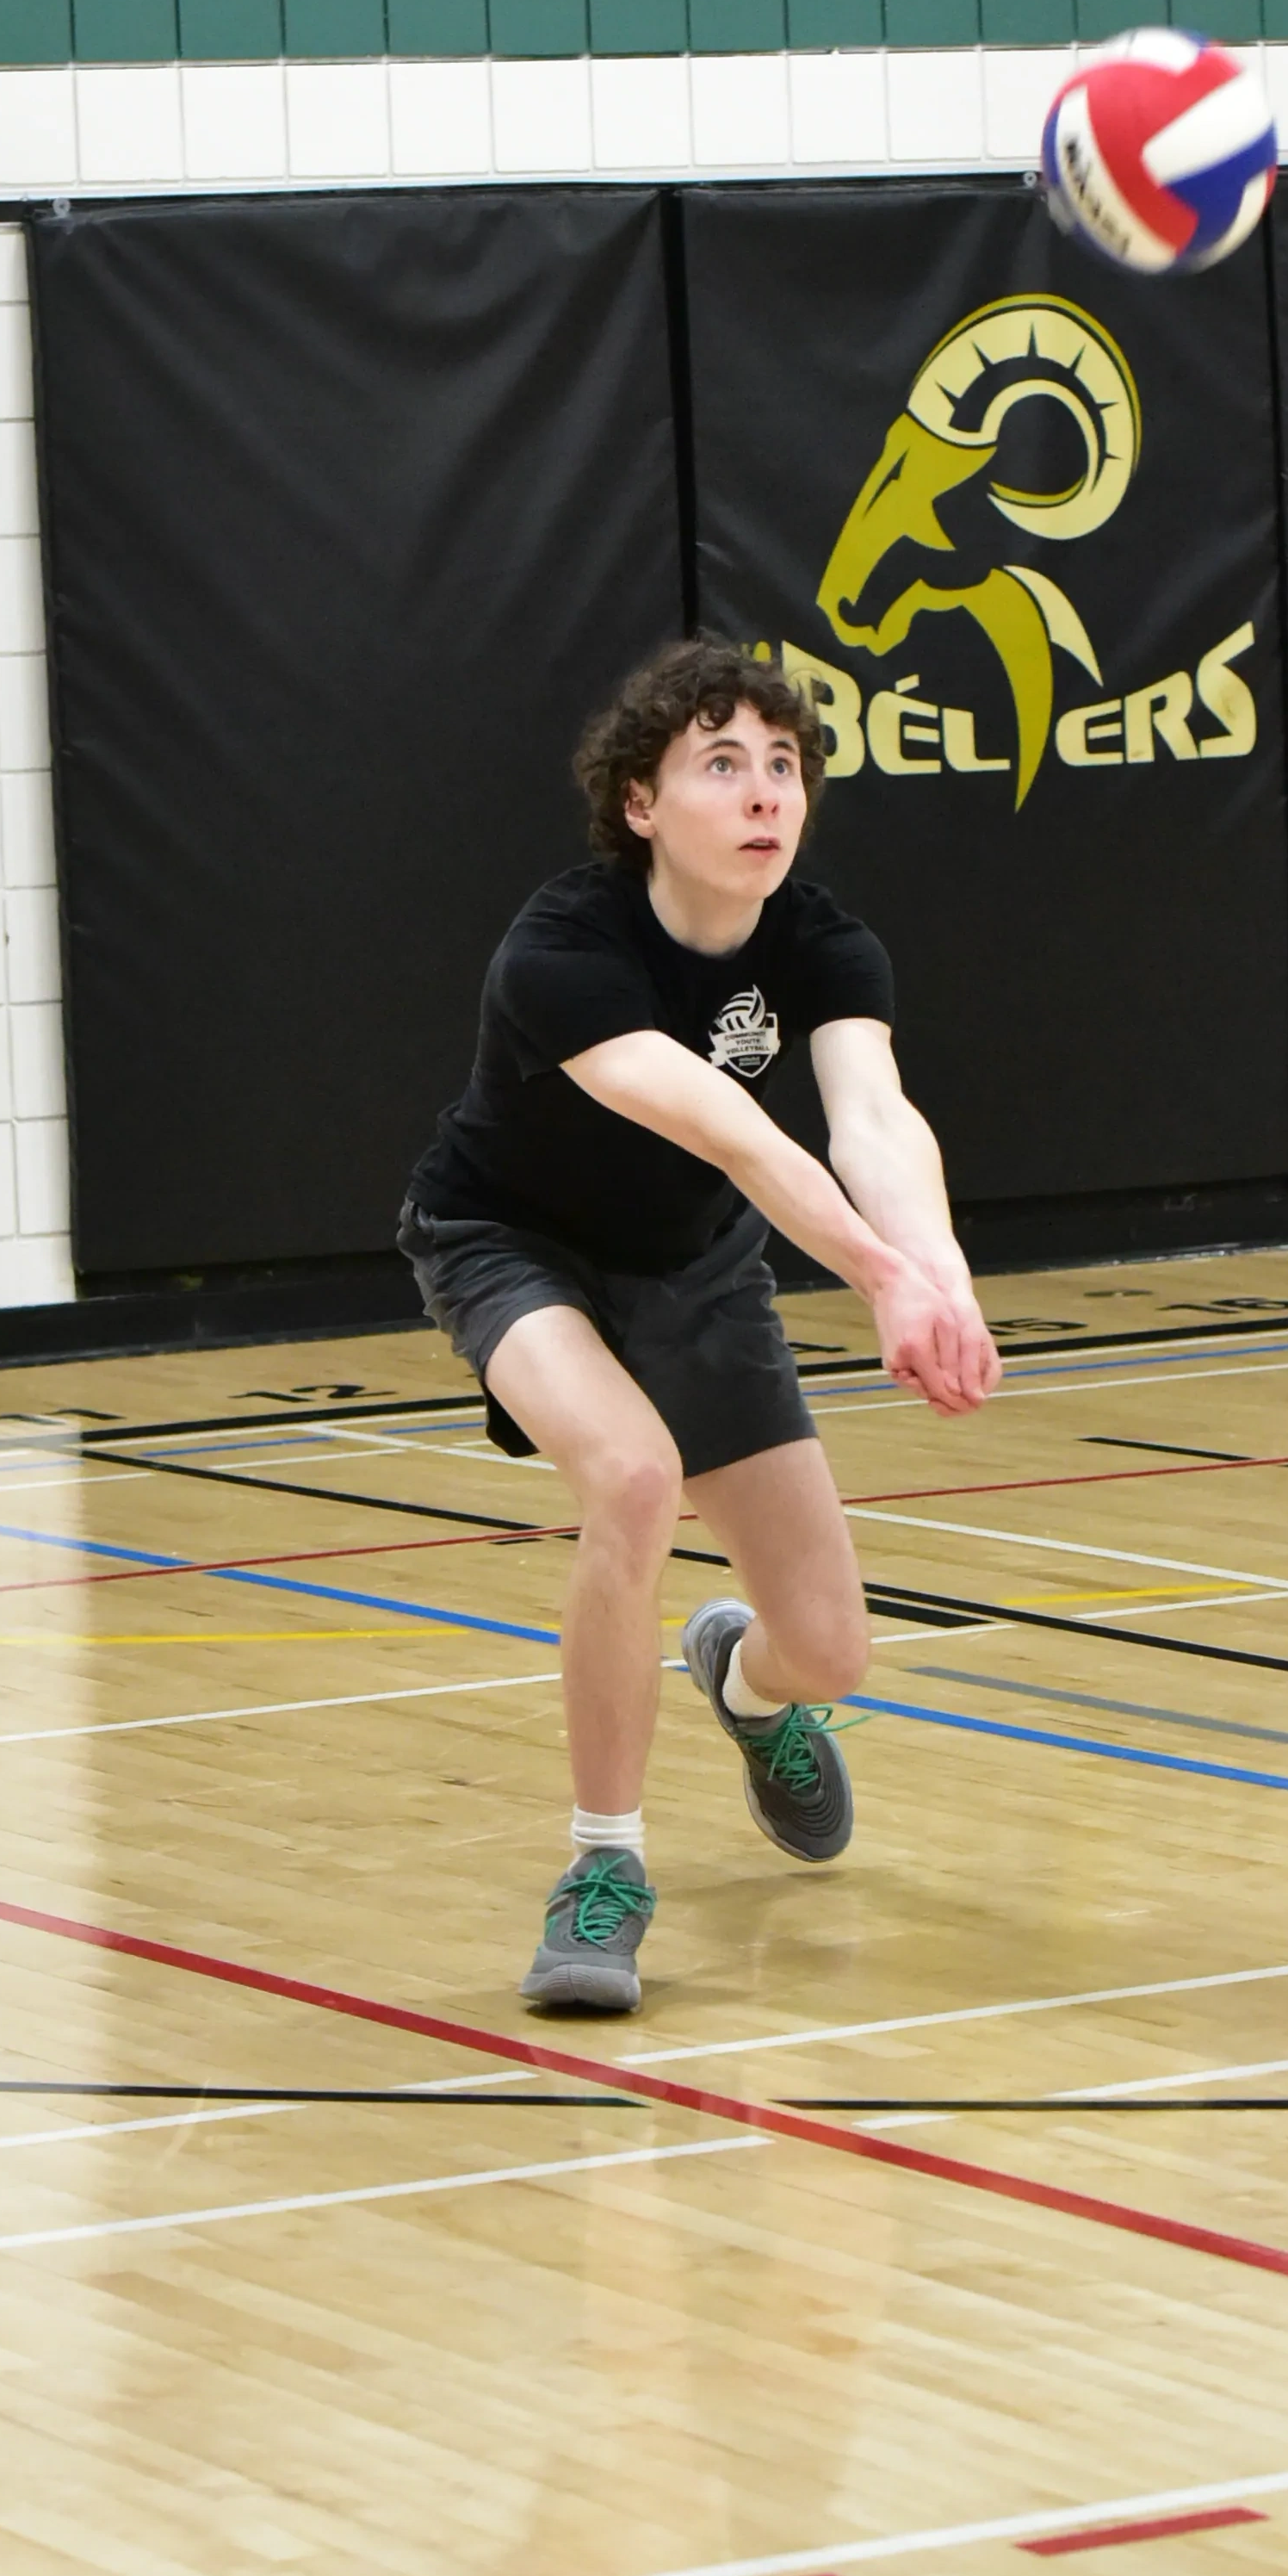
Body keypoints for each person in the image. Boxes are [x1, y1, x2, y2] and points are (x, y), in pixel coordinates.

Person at [399, 638, 1000, 2016]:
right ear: (642, 805)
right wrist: (875, 1277)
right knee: (631, 1476)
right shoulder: (565, 947)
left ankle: (744, 1683)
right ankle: (604, 1870)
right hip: (514, 1243)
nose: (763, 790)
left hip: (694, 1271)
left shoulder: (823, 941)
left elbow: (871, 1120)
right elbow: (734, 1132)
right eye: (721, 763)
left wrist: (941, 1275)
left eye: (782, 764)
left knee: (834, 1652)